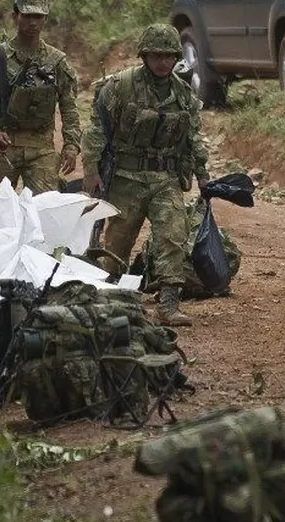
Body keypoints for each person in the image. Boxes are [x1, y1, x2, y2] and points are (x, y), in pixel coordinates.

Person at [81, 23, 210, 327]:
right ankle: (113, 296)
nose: (162, 62)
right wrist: (91, 169)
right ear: (144, 56)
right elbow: (97, 127)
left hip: (164, 178)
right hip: (126, 176)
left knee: (174, 234)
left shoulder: (184, 95)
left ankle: (167, 302)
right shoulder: (120, 86)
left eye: (168, 56)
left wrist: (203, 174)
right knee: (117, 242)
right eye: (156, 56)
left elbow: (193, 138)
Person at [0, 0, 81, 202]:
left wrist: (71, 145)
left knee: (47, 206)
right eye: (27, 16)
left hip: (41, 145)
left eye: (38, 17)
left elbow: (69, 106)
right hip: (3, 144)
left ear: (45, 20)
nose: (32, 23)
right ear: (15, 17)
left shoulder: (56, 61)